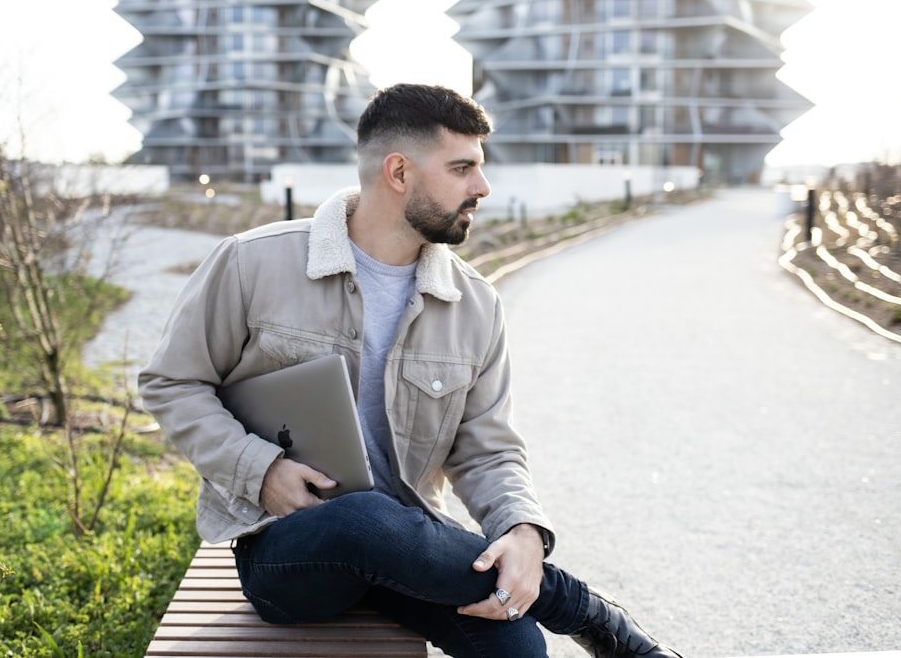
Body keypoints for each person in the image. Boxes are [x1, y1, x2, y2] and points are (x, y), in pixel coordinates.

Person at [139, 83, 683, 658]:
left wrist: (522, 531)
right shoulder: (252, 262)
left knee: (517, 646)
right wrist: (261, 470)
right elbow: (171, 383)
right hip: (287, 550)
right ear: (399, 172)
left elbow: (487, 449)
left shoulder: (474, 303)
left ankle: (559, 605)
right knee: (363, 519)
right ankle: (584, 611)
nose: (483, 187)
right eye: (462, 167)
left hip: (419, 549)